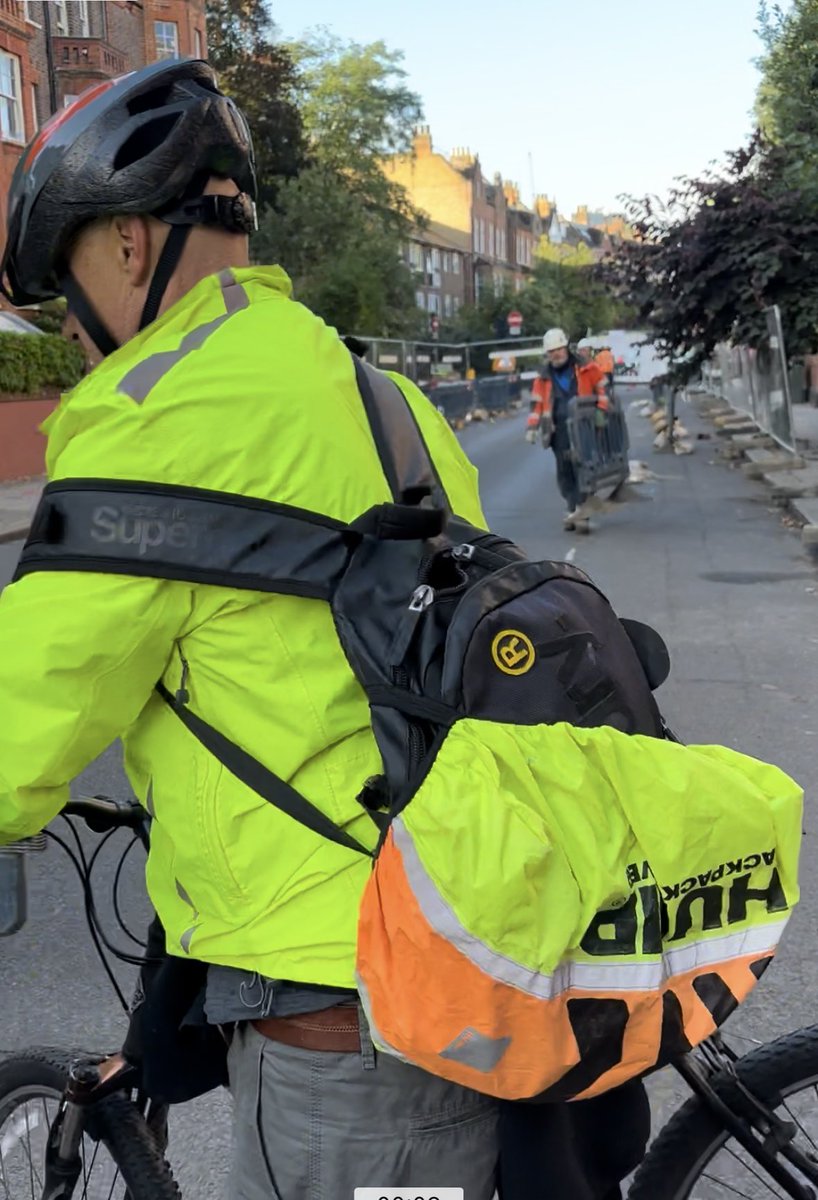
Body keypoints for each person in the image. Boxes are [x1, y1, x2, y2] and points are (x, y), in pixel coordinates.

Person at [0, 60, 500, 1198]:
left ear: (126, 246)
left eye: (61, 283)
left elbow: (16, 722)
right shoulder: (378, 392)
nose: (72, 332)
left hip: (345, 1007)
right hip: (464, 933)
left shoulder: (153, 415)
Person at [531, 328, 609, 533]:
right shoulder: (544, 377)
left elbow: (603, 388)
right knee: (564, 471)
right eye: (551, 351)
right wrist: (532, 426)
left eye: (558, 349)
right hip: (558, 430)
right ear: (547, 354)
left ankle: (582, 509)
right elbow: (537, 403)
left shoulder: (585, 367)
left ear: (566, 348)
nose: (556, 354)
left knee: (583, 467)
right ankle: (572, 506)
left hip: (584, 426)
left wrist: (601, 411)